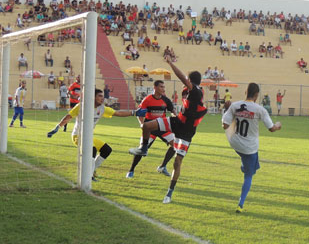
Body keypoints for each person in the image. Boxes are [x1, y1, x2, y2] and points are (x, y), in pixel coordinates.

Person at [130, 57, 207, 203]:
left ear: (190, 81)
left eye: (188, 81)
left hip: (186, 132)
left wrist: (170, 63)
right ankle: (144, 148)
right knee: (146, 126)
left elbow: (181, 77)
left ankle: (169, 193)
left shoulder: (195, 90)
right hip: (177, 121)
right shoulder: (192, 93)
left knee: (177, 162)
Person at [47, 88, 143, 181]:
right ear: (93, 97)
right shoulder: (82, 106)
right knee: (92, 149)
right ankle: (88, 176)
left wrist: (134, 113)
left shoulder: (102, 108)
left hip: (89, 137)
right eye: (100, 96)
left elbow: (118, 113)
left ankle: (92, 171)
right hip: (78, 136)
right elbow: (69, 116)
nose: (102, 98)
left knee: (107, 150)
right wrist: (57, 128)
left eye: (103, 96)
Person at [222, 82, 282, 213]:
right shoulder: (260, 109)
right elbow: (271, 128)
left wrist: (228, 111)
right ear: (256, 95)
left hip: (235, 142)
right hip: (249, 147)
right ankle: (240, 204)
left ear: (245, 92)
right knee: (249, 175)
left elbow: (225, 126)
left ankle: (245, 165)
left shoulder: (235, 105)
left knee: (248, 161)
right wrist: (278, 125)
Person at [126, 80, 176, 179]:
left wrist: (176, 117)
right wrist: (141, 124)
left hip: (162, 127)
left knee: (175, 145)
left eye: (164, 87)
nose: (163, 89)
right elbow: (139, 113)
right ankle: (131, 170)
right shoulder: (147, 100)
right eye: (161, 87)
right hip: (150, 128)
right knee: (142, 150)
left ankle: (162, 167)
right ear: (155, 87)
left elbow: (173, 111)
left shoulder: (166, 100)